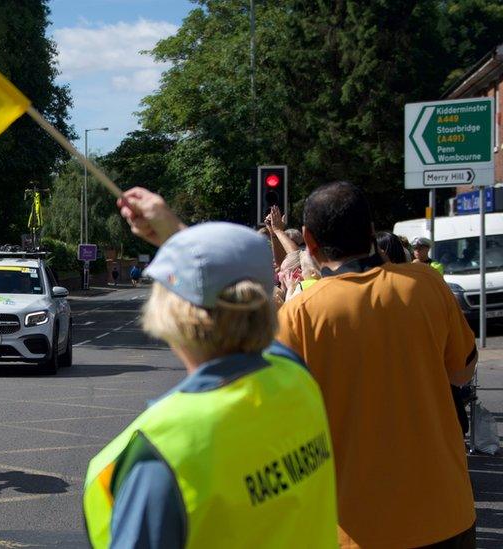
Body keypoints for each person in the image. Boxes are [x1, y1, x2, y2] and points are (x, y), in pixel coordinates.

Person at [85, 212, 337, 548]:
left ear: (173, 314)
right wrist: (178, 236)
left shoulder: (163, 452)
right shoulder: (296, 376)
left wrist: (181, 241)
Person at [278, 182, 477, 547]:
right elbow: (462, 371)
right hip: (446, 514)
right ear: (372, 231)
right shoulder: (427, 285)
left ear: (308, 239)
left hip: (355, 528)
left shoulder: (298, 315)